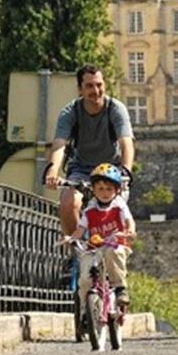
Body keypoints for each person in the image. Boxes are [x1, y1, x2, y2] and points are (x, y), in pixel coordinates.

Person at [45, 64, 135, 236]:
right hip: (81, 170)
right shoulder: (70, 112)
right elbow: (59, 144)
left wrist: (126, 172)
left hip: (111, 172)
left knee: (112, 215)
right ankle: (78, 253)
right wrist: (52, 170)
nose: (96, 90)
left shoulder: (116, 109)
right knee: (68, 203)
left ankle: (112, 253)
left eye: (99, 85)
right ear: (80, 89)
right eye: (89, 86)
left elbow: (126, 144)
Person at [63, 163, 135, 306]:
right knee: (85, 279)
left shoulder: (119, 205)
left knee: (112, 253)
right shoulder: (90, 209)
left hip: (115, 244)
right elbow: (81, 229)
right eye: (100, 189)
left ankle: (120, 288)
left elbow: (128, 220)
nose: (105, 193)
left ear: (116, 190)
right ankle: (85, 309)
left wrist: (129, 231)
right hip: (94, 247)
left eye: (109, 189)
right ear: (93, 190)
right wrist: (71, 238)